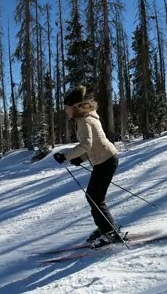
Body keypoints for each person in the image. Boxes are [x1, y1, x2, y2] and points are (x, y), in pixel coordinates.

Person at [53, 85, 125, 248]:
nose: (65, 110)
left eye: (66, 107)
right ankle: (104, 228)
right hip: (104, 159)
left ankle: (110, 232)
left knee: (95, 197)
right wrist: (81, 159)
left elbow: (86, 144)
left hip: (106, 160)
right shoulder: (87, 117)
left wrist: (65, 156)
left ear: (74, 106)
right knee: (94, 196)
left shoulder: (84, 119)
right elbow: (94, 145)